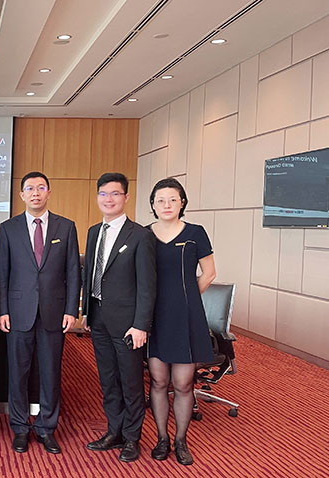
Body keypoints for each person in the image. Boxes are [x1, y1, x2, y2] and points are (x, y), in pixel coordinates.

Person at [0, 172, 81, 454]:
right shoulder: (8, 228)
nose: (36, 193)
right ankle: (20, 427)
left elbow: (73, 272)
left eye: (41, 188)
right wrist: (2, 310)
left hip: (54, 312)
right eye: (30, 188)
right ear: (22, 194)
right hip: (18, 312)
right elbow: (2, 274)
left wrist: (71, 309)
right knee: (18, 374)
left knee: (51, 373)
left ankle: (46, 427)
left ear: (49, 193)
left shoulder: (66, 227)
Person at [81, 172, 156, 463]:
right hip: (98, 317)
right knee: (108, 380)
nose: (108, 199)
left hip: (128, 324)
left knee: (131, 381)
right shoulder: (93, 232)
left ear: (126, 197)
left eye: (115, 194)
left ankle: (132, 438)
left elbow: (147, 286)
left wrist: (141, 325)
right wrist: (86, 312)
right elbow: (91, 275)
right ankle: (114, 431)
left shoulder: (140, 236)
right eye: (103, 194)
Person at [146, 177, 216, 466]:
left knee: (184, 383)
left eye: (172, 199)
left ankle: (181, 441)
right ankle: (162, 438)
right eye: (160, 200)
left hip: (186, 316)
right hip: (153, 316)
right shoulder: (143, 234)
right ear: (153, 205)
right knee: (159, 381)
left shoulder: (196, 233)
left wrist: (186, 299)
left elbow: (209, 273)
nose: (167, 205)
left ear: (182, 202)